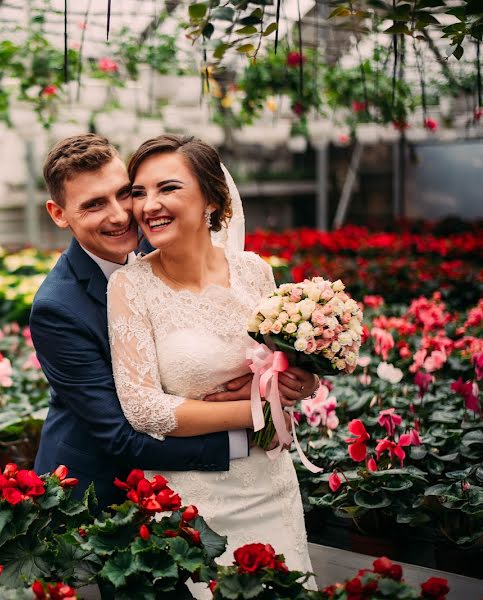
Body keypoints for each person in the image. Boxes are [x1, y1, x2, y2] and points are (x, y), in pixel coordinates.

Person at [30, 133, 318, 510]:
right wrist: (252, 425)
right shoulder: (57, 307)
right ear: (58, 214)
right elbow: (120, 435)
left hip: (231, 484)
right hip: (95, 492)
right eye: (94, 205)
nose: (120, 215)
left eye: (124, 194)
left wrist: (294, 379)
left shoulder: (166, 238)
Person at [107, 134, 317, 594]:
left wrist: (301, 380)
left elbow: (280, 366)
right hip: (192, 502)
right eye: (139, 192)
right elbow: (143, 409)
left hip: (271, 483)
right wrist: (258, 410)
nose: (149, 205)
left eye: (168, 188)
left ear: (212, 199)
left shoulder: (254, 271)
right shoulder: (129, 286)